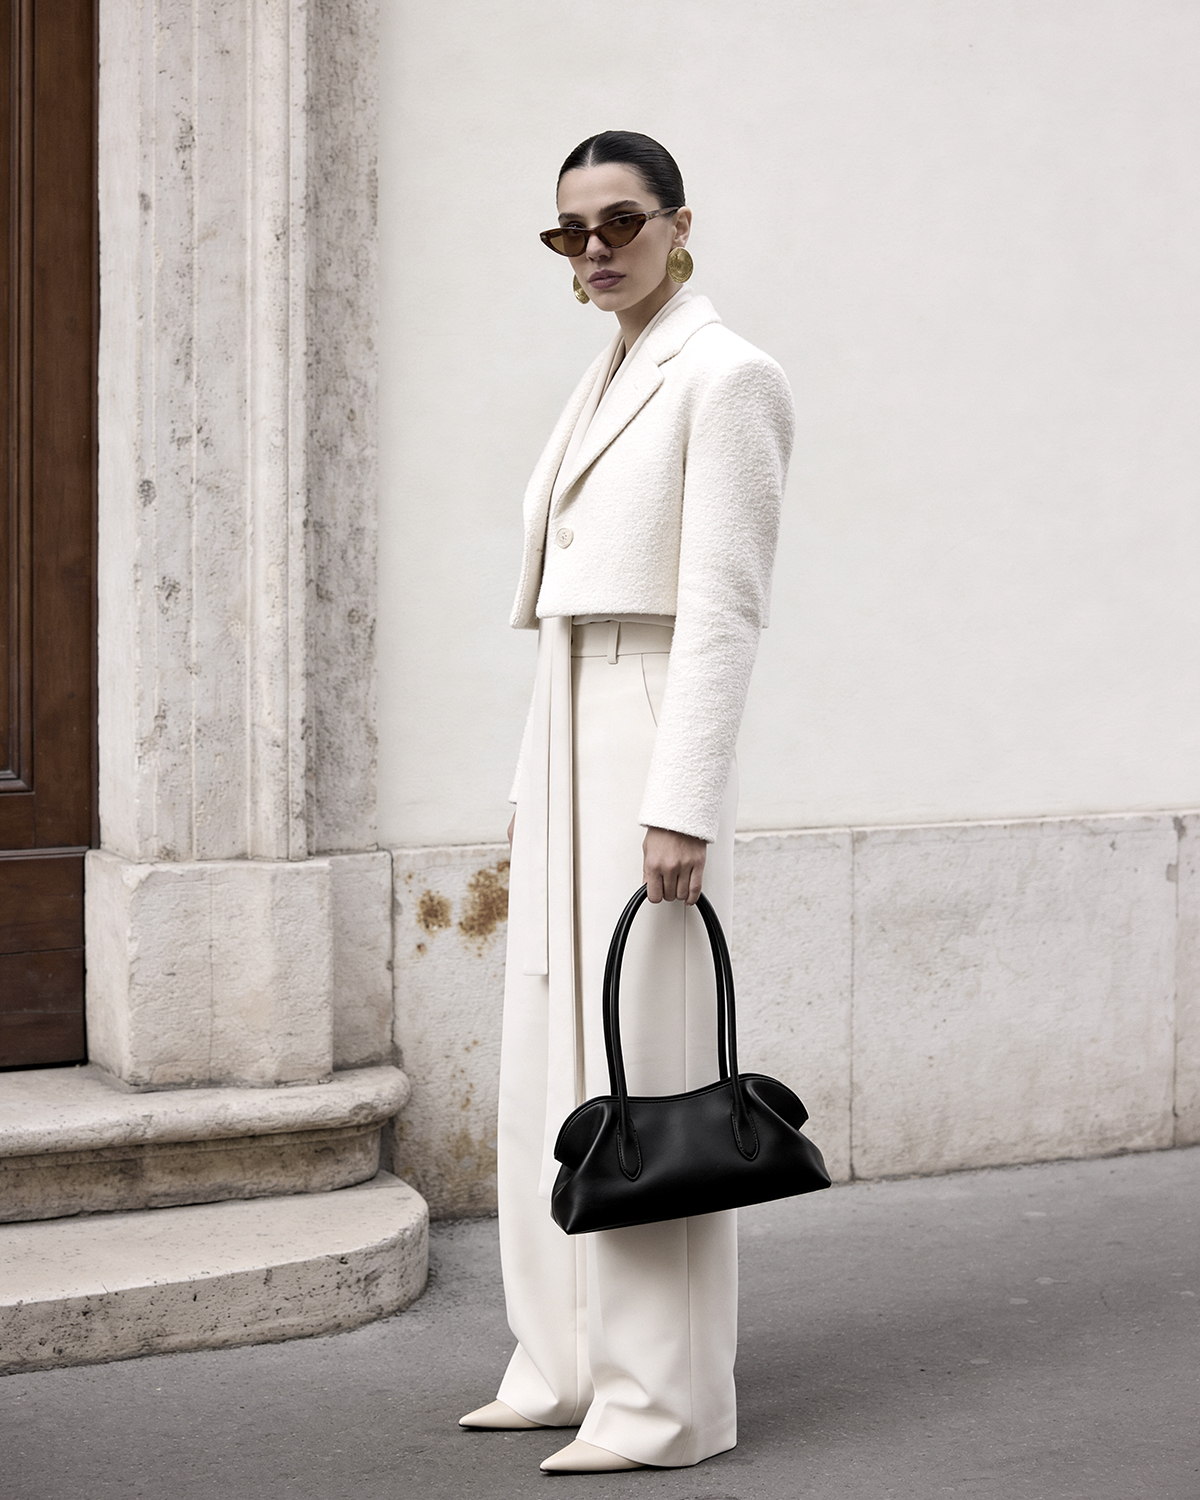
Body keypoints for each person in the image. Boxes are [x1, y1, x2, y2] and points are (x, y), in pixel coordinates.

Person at [459, 130, 795, 1474]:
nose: (594, 249)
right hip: (570, 715)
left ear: (677, 224)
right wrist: (531, 779)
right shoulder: (608, 366)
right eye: (571, 231)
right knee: (552, 1049)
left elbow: (724, 612)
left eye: (620, 222)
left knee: (649, 1066)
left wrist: (683, 803)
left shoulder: (727, 374)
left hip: (650, 723)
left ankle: (665, 1403)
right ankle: (564, 1362)